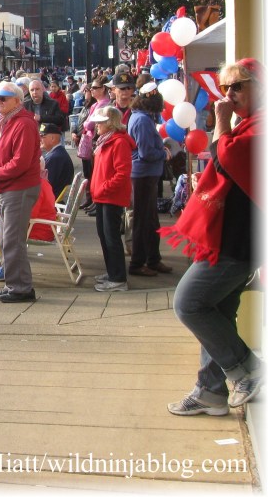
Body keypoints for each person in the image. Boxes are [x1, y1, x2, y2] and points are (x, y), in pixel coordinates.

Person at [161, 59, 261, 416]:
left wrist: (220, 121)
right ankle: (212, 391)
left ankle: (246, 369)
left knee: (189, 303)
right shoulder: (247, 123)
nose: (230, 95)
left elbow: (225, 156)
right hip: (227, 237)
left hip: (237, 241)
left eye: (238, 87)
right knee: (216, 311)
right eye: (226, 88)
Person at [0, 82, 40, 303]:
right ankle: (15, 284)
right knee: (7, 239)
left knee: (12, 240)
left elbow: (20, 162)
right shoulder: (7, 121)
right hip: (10, 187)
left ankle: (21, 287)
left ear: (17, 100)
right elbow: (0, 152)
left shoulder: (23, 123)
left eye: (2, 98)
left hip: (19, 187)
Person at [127, 82, 172, 277]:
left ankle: (153, 258)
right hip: (144, 174)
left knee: (150, 220)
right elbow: (146, 153)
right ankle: (138, 262)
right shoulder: (143, 121)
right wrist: (163, 153)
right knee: (143, 220)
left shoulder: (139, 118)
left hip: (145, 174)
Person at [89, 105, 134, 292]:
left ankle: (118, 278)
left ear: (110, 123)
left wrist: (103, 189)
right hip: (103, 196)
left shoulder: (118, 142)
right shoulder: (107, 141)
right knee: (105, 235)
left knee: (111, 237)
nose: (97, 126)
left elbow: (122, 173)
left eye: (100, 123)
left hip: (110, 197)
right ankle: (113, 272)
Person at [72, 78, 111, 215]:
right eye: (91, 88)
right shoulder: (95, 104)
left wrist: (86, 125)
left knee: (94, 172)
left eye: (95, 88)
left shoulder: (104, 105)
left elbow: (89, 124)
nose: (92, 90)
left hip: (94, 140)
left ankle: (95, 201)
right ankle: (92, 199)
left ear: (103, 89)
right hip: (89, 140)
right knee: (89, 172)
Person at [40, 122, 74, 199]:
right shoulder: (58, 153)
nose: (40, 139)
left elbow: (46, 185)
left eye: (42, 136)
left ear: (52, 138)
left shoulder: (55, 158)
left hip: (50, 200)